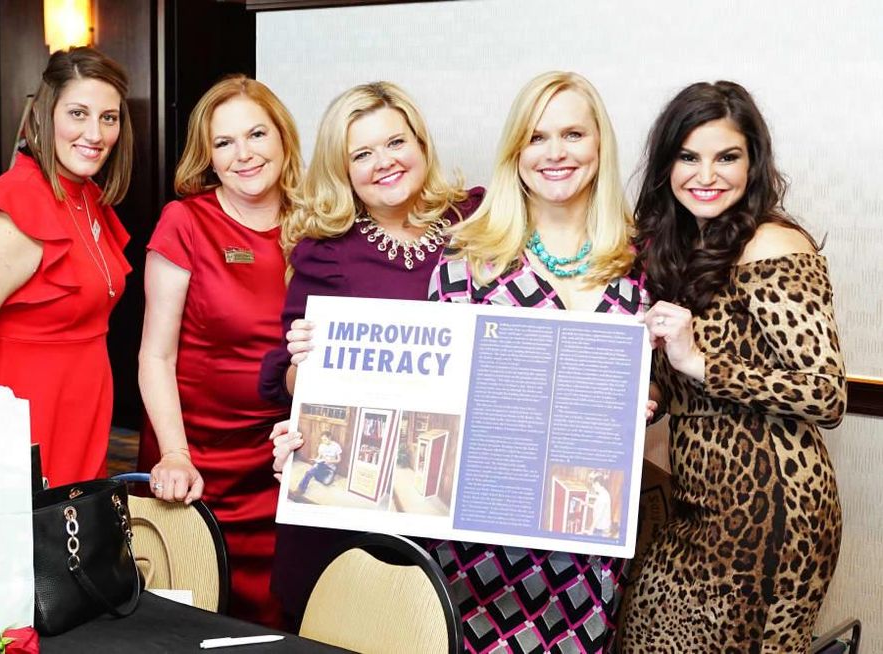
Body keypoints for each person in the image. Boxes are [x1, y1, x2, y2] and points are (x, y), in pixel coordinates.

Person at [423, 70, 647, 654]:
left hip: (590, 548)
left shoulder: (638, 260)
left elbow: (663, 393)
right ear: (515, 151)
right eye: (536, 136)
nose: (555, 153)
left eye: (573, 134)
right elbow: (427, 406)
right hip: (487, 556)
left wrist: (642, 406)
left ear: (600, 143)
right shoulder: (468, 261)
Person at [617, 81, 845, 653]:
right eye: (689, 156)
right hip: (699, 503)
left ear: (753, 163)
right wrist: (650, 395)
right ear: (667, 164)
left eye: (727, 157)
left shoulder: (772, 244)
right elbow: (681, 378)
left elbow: (826, 393)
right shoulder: (677, 245)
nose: (706, 174)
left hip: (772, 513)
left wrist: (698, 360)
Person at [259, 80, 483, 628]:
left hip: (460, 494)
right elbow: (285, 378)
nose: (384, 163)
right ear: (344, 170)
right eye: (362, 153)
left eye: (395, 143)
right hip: (356, 502)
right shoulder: (326, 251)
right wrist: (302, 368)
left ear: (421, 145)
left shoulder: (476, 222)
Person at [0, 47, 133, 486]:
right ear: (45, 114)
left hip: (79, 430)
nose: (94, 133)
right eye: (78, 113)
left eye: (108, 118)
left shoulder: (85, 198)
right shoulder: (18, 207)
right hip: (16, 442)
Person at [137, 75, 301, 628]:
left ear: (283, 138)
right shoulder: (186, 222)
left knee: (281, 623)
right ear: (208, 155)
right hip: (198, 465)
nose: (244, 154)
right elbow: (155, 356)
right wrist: (176, 452)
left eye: (256, 134)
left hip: (284, 466)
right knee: (191, 620)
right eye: (224, 142)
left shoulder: (317, 224)